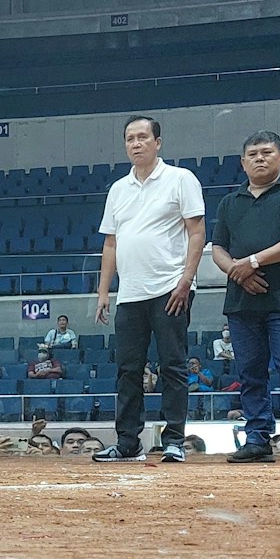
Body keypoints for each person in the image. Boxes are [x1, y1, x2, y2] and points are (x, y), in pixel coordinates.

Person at [92, 116, 205, 464]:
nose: (136, 143)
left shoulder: (180, 179)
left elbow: (196, 231)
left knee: (172, 365)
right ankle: (128, 442)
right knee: (128, 369)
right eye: (130, 138)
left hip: (170, 288)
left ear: (158, 142)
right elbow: (110, 244)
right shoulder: (118, 189)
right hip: (131, 293)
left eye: (143, 137)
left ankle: (173, 440)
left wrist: (187, 279)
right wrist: (103, 291)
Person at [210, 130, 280, 464]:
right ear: (243, 163)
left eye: (267, 152)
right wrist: (237, 272)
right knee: (250, 371)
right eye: (253, 153)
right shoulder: (230, 202)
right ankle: (257, 437)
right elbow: (217, 249)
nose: (260, 158)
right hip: (242, 302)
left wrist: (253, 262)